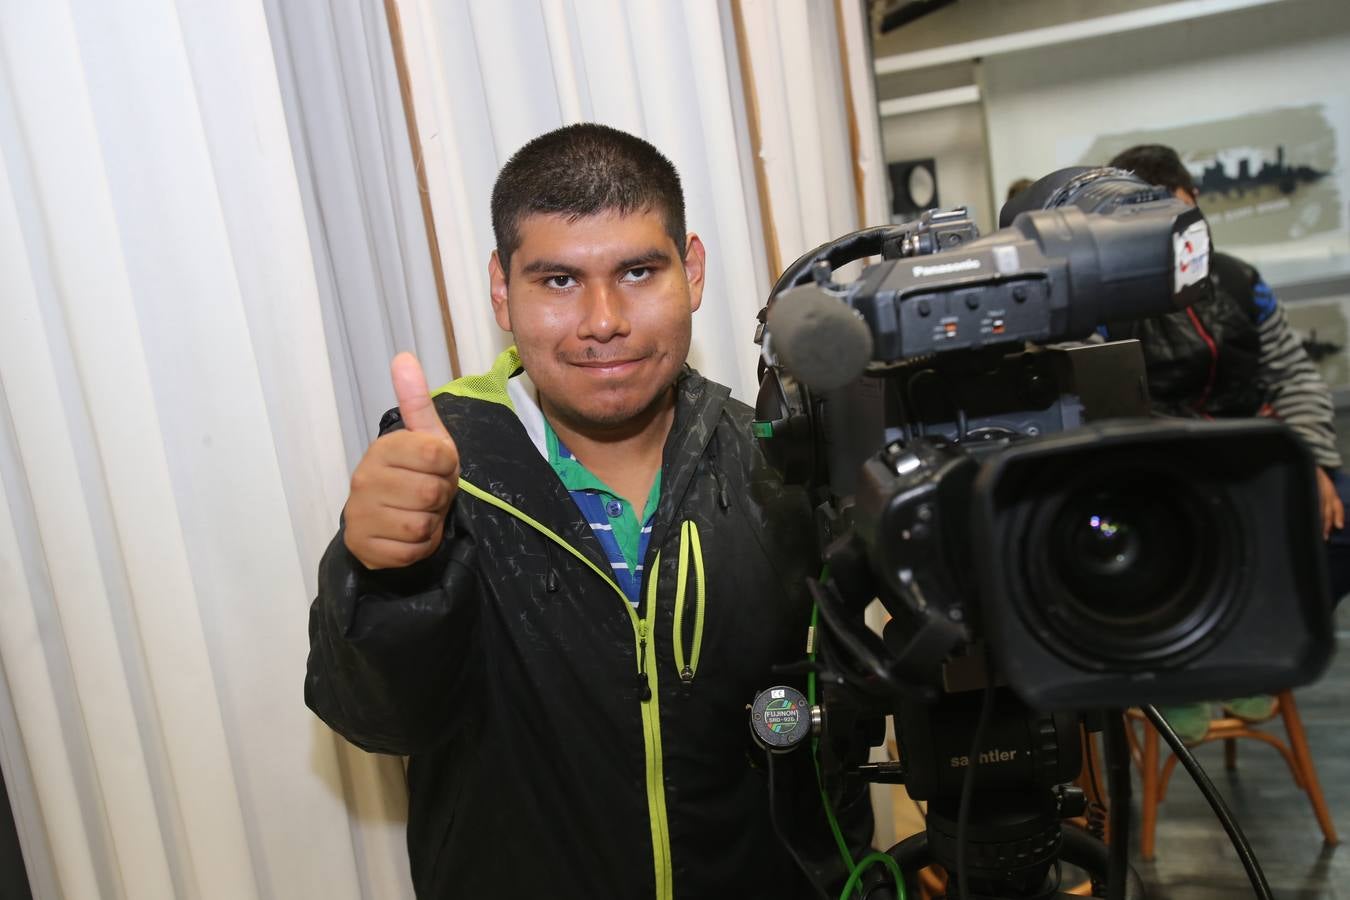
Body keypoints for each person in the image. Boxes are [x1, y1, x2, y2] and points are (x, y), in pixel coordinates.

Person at [305, 123, 871, 899]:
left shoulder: (777, 461)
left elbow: (836, 748)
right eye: (559, 281)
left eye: (637, 270)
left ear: (692, 269)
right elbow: (380, 722)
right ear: (502, 291)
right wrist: (380, 575)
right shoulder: (446, 464)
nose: (604, 319)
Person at [1103, 143, 1349, 741]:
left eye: (1186, 218)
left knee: (1341, 522)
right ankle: (1182, 671)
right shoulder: (1106, 310)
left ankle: (1257, 650)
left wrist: (1309, 456)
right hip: (1165, 472)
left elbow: (1293, 374)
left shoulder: (1240, 282)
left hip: (1255, 452)